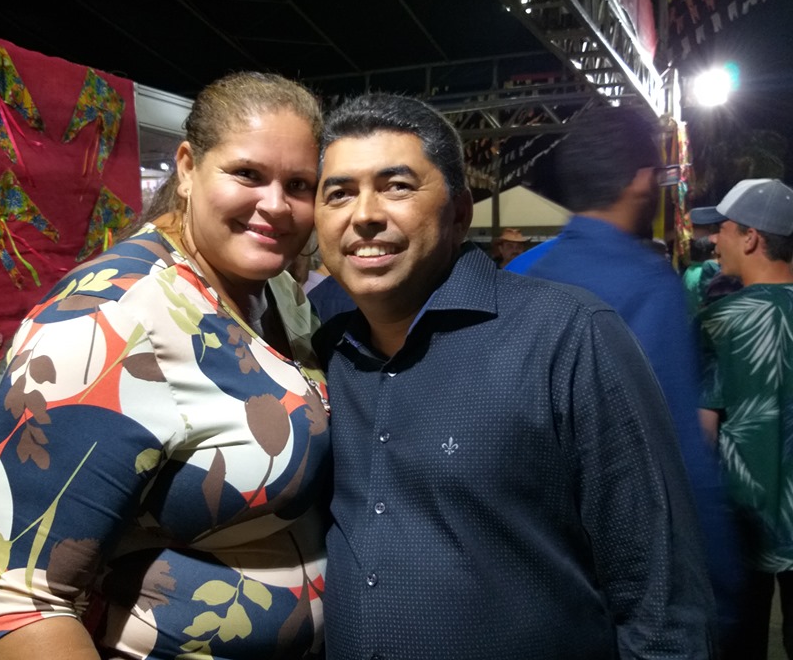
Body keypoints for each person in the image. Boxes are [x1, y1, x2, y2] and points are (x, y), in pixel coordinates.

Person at [313, 93, 716, 660]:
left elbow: (660, 598)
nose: (364, 215)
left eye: (397, 186)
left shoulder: (568, 336)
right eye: (338, 193)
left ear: (460, 212)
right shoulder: (324, 356)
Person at [0, 72, 331, 660]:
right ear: (187, 169)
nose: (275, 204)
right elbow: (25, 604)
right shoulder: (109, 318)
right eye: (247, 174)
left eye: (299, 185)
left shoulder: (279, 293)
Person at [524, 105, 742, 646]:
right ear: (642, 181)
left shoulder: (522, 275)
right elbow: (677, 454)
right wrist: (718, 584)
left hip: (545, 582)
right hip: (630, 587)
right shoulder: (648, 284)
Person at [691, 178, 793, 660]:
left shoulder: (719, 321)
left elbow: (703, 432)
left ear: (751, 237)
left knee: (741, 645)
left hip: (743, 524)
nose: (714, 239)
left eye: (724, 228)